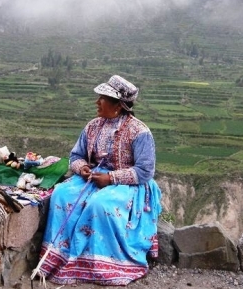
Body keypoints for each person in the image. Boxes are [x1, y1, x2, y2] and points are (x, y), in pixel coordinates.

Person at [37, 75, 162, 286]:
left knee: (100, 204)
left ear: (118, 105)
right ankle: (58, 256)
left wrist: (111, 178)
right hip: (95, 176)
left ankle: (101, 264)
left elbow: (145, 171)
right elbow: (76, 155)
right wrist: (82, 168)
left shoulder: (140, 132)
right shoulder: (92, 126)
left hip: (129, 184)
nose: (97, 102)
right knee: (61, 194)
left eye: (102, 98)